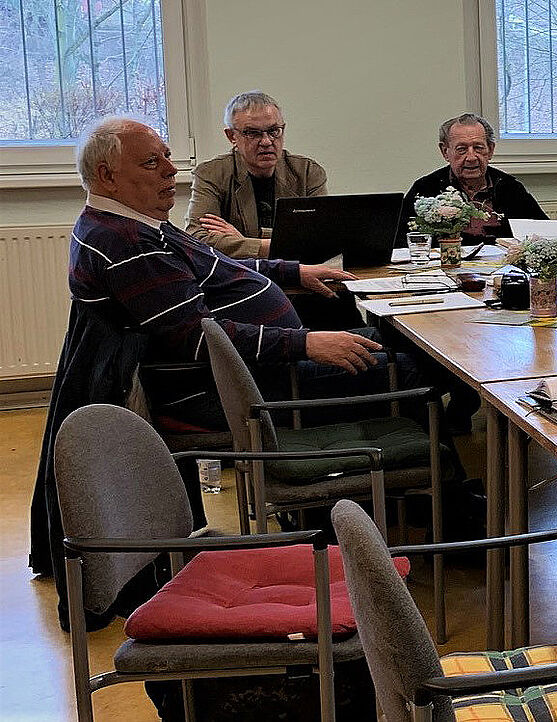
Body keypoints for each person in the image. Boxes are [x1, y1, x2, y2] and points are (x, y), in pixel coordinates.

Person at [34, 117, 377, 577]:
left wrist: (296, 273)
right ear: (107, 176)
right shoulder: (125, 243)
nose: (170, 171)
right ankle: (424, 521)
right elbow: (198, 337)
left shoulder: (136, 223)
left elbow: (220, 265)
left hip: (256, 368)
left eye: (167, 157)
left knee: (393, 345)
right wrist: (305, 343)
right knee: (415, 367)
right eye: (152, 163)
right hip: (232, 389)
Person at [183, 90, 328, 258]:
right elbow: (197, 239)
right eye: (253, 133)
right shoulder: (211, 174)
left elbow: (321, 238)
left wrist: (247, 240)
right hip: (239, 274)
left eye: (274, 131)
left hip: (299, 271)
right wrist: (275, 245)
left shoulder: (307, 172)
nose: (266, 141)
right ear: (232, 136)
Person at [400, 113, 547, 244]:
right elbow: (400, 240)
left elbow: (546, 233)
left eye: (478, 148)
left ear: (490, 150)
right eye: (462, 149)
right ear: (445, 152)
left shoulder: (509, 187)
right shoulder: (425, 188)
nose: (471, 157)